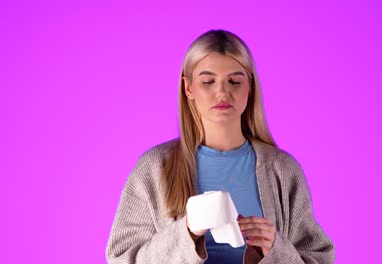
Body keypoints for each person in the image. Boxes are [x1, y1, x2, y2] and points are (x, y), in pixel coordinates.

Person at [106, 29, 335, 264]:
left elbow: (320, 258)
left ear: (250, 87)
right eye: (208, 81)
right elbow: (121, 259)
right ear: (189, 88)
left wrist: (277, 251)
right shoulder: (154, 168)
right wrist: (187, 232)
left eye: (235, 81)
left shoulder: (283, 170)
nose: (223, 92)